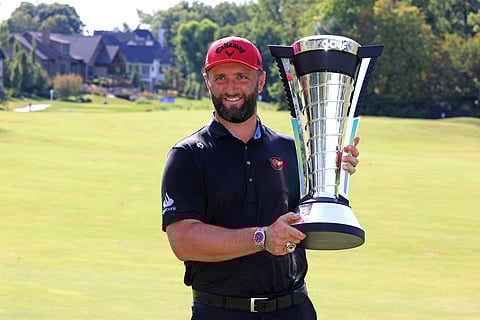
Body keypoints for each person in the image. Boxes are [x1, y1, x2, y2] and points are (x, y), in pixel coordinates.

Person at [161, 36, 360, 320]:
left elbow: (312, 220)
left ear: (261, 80)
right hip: (219, 311)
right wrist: (262, 237)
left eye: (242, 76)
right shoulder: (188, 155)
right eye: (220, 78)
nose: (231, 88)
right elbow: (183, 242)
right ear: (207, 81)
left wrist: (331, 172)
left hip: (292, 309)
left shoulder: (293, 151)